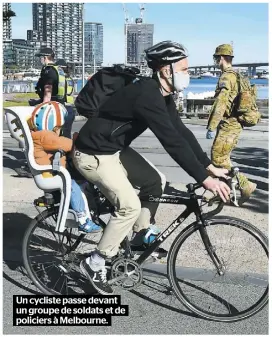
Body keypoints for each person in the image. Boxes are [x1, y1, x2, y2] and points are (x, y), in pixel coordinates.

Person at [72, 40, 230, 295]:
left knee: (155, 181)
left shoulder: (161, 95)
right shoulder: (146, 95)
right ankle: (95, 262)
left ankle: (138, 235)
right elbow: (171, 142)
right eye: (184, 69)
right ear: (166, 70)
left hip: (114, 149)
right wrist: (204, 180)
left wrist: (209, 166)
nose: (188, 74)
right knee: (129, 206)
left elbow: (181, 133)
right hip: (92, 153)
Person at [29, 101, 101, 233]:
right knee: (72, 186)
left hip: (49, 173)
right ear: (53, 124)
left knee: (78, 185)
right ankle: (82, 219)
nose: (59, 130)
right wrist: (78, 138)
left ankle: (82, 213)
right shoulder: (45, 136)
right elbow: (67, 144)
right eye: (58, 127)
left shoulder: (37, 134)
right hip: (51, 175)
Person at [206, 44, 256, 205]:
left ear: (220, 58)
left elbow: (221, 103)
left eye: (215, 58)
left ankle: (245, 184)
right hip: (235, 123)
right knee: (218, 157)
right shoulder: (237, 75)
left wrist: (211, 126)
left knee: (219, 159)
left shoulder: (227, 77)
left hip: (230, 124)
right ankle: (218, 191)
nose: (215, 61)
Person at [55, 59, 76, 139]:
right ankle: (68, 149)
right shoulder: (70, 79)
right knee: (67, 133)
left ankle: (59, 150)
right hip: (70, 108)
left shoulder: (60, 79)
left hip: (61, 108)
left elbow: (58, 94)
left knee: (58, 133)